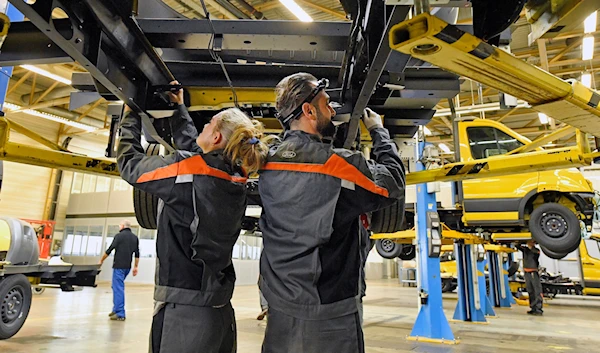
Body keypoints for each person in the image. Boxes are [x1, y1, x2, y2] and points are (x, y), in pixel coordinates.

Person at [258, 72, 406, 353]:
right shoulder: (338, 165)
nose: (333, 110)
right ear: (308, 110)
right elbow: (393, 184)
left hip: (280, 312)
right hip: (329, 317)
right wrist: (379, 132)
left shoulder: (266, 161)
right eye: (327, 104)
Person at [117, 82, 269, 353]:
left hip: (185, 314)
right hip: (218, 310)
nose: (204, 128)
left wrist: (129, 113)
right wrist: (178, 108)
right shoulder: (235, 179)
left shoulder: (192, 171)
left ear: (217, 139)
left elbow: (129, 164)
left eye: (209, 124)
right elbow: (198, 157)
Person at [100, 219, 140, 321]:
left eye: (119, 225)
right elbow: (137, 253)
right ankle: (115, 309)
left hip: (119, 266)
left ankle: (120, 313)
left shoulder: (119, 236)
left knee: (118, 288)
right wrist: (136, 267)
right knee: (116, 286)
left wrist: (101, 260)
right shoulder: (134, 238)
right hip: (127, 266)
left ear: (122, 226)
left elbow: (110, 249)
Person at [518, 240, 543, 315]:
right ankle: (533, 307)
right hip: (527, 272)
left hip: (533, 272)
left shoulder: (536, 250)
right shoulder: (525, 249)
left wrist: (530, 246)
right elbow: (517, 246)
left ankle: (538, 309)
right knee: (530, 290)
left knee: (536, 290)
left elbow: (536, 253)